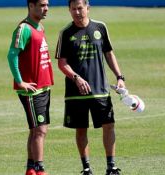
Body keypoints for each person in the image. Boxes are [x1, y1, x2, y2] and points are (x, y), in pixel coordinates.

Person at [55, 0, 125, 174]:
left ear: (88, 8)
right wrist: (76, 78)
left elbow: (109, 53)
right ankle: (86, 168)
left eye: (80, 8)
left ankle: (111, 166)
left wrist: (119, 77)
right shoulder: (65, 33)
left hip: (100, 90)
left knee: (109, 125)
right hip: (75, 93)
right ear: (69, 10)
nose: (77, 12)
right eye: (73, 9)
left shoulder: (100, 27)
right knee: (81, 129)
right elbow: (62, 63)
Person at [7, 0, 53, 175]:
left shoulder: (39, 27)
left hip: (42, 86)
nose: (46, 8)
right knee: (40, 130)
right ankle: (40, 169)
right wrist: (20, 81)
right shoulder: (24, 29)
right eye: (42, 5)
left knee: (35, 130)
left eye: (47, 4)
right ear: (31, 6)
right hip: (31, 89)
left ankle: (31, 169)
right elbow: (12, 55)